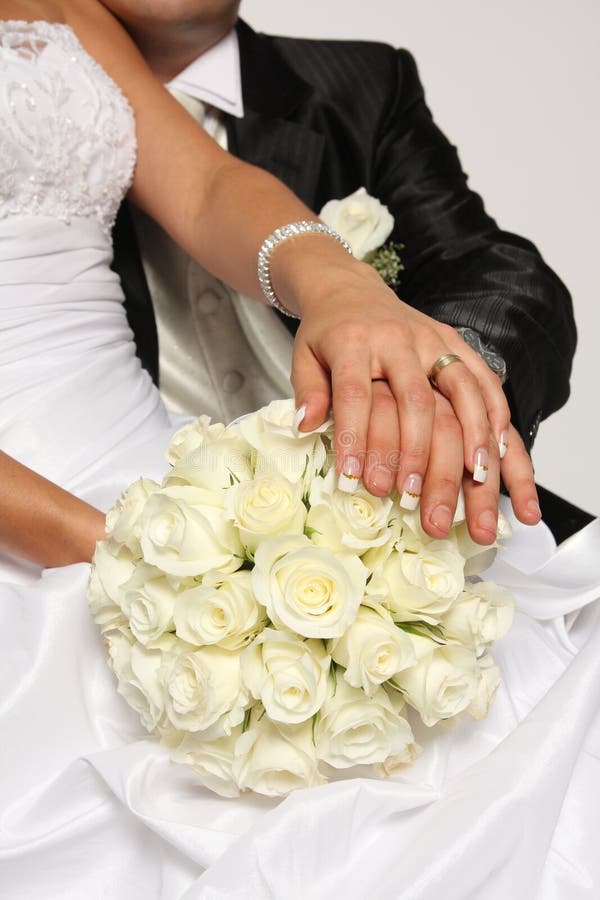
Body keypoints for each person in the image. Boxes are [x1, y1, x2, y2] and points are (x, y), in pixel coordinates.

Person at [0, 3, 598, 899]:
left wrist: (339, 287)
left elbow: (204, 187)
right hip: (52, 536)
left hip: (191, 482)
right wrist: (141, 567)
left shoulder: (61, 8)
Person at [110, 1, 578, 545]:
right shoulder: (29, 106)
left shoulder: (359, 86)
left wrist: (440, 382)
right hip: (133, 516)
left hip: (381, 505)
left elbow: (495, 269)